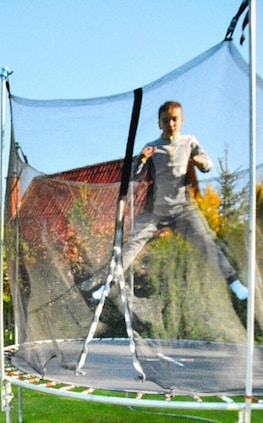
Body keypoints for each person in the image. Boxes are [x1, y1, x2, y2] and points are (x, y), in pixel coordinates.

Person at [91, 100, 248, 301]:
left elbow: (207, 163)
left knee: (206, 243)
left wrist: (202, 163)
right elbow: (135, 175)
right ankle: (109, 284)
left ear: (181, 120)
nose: (170, 124)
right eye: (165, 121)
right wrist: (142, 159)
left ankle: (234, 282)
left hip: (183, 209)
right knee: (132, 245)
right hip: (155, 211)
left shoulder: (189, 142)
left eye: (174, 119)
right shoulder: (153, 147)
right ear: (159, 123)